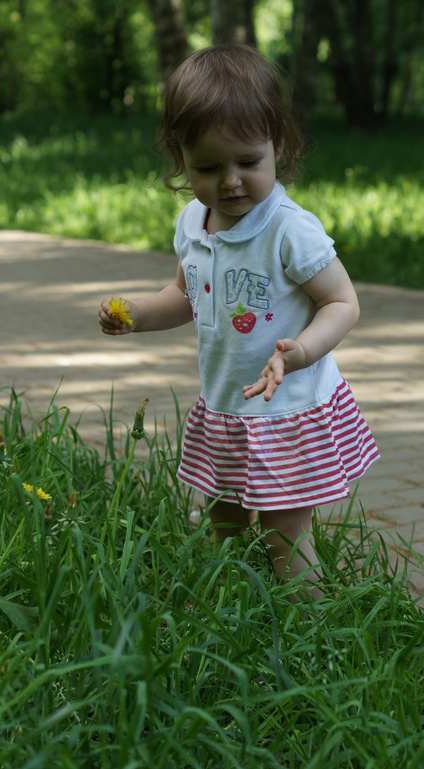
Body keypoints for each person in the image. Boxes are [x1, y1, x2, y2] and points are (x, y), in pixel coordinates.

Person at [98, 43, 379, 594]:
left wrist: (300, 351)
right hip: (226, 408)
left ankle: (311, 633)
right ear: (181, 158)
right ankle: (233, 609)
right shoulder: (193, 224)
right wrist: (135, 316)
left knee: (284, 536)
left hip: (286, 411)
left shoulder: (288, 231)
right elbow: (185, 295)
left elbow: (342, 302)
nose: (230, 182)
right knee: (224, 522)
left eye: (248, 163)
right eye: (208, 167)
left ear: (277, 146)